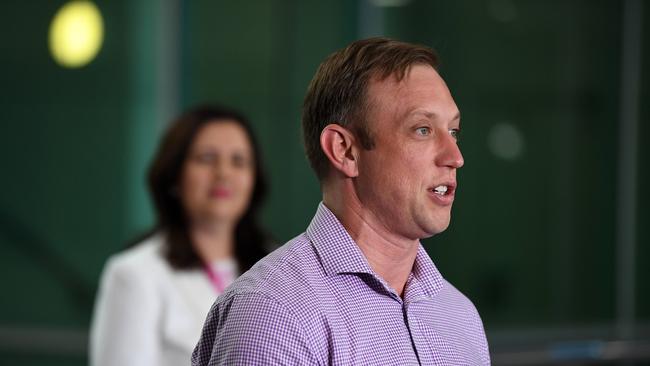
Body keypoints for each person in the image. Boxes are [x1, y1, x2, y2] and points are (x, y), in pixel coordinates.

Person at [193, 38, 490, 365]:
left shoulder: (460, 317)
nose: (455, 157)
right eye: (422, 130)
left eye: (454, 131)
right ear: (344, 151)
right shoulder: (275, 313)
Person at [90, 104, 269, 366]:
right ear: (174, 176)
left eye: (238, 161)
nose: (223, 173)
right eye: (207, 158)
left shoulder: (276, 265)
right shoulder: (135, 274)